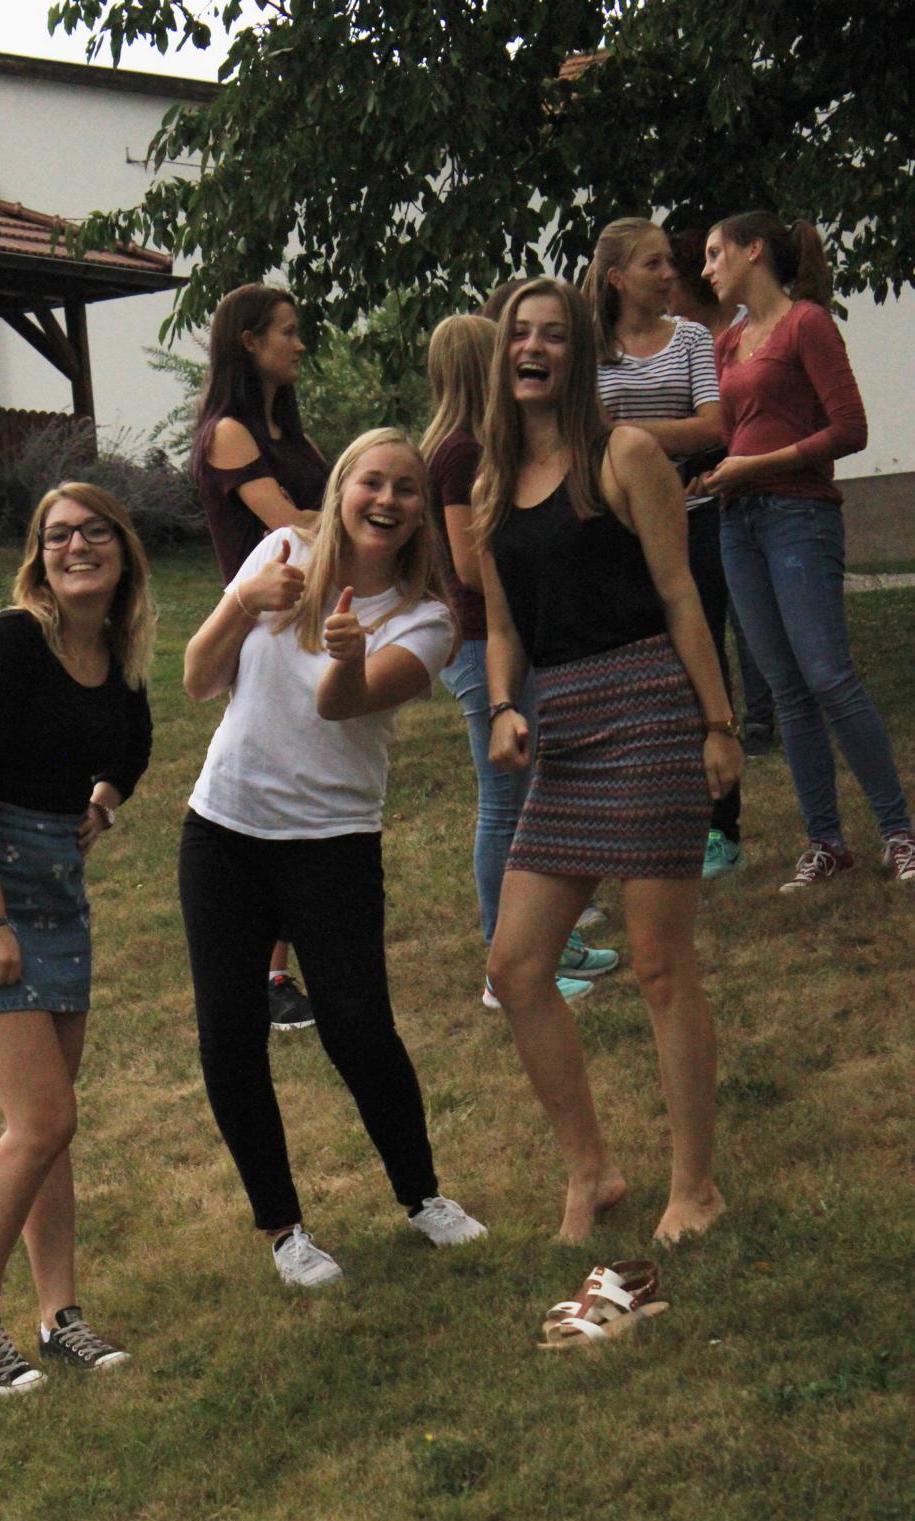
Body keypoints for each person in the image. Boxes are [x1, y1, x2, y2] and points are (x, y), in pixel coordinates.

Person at [179, 428, 487, 1287]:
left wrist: (348, 657)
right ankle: (284, 1231)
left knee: (358, 1030)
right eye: (371, 483)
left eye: (406, 489)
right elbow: (198, 679)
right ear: (342, 488)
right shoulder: (279, 553)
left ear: (421, 514)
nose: (386, 500)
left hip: (333, 842)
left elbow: (341, 707)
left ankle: (423, 1196)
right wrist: (244, 603)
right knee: (229, 1036)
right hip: (225, 831)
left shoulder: (429, 619)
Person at [475, 279, 743, 1245]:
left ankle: (696, 1187)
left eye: (554, 335)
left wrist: (718, 725)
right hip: (564, 726)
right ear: (501, 354)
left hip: (650, 708)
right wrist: (503, 706)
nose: (534, 348)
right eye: (520, 334)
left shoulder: (625, 454)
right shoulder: (490, 487)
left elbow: (679, 595)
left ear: (579, 355)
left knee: (661, 965)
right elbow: (503, 630)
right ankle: (592, 1171)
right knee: (516, 966)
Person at [0, 484, 154, 1393]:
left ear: (123, 551)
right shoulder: (12, 642)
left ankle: (60, 1317)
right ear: (38, 556)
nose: (76, 547)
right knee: (43, 1119)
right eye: (58, 536)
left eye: (94, 532)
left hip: (55, 889)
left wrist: (104, 801)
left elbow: (132, 743)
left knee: (49, 1128)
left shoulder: (116, 651)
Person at [701, 212, 915, 891]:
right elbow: (730, 434)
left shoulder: (807, 325)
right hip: (738, 522)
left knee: (828, 676)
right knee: (787, 689)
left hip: (799, 514)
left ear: (754, 251)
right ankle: (825, 842)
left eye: (715, 253)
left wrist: (758, 464)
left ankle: (899, 833)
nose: (706, 269)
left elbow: (851, 429)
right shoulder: (728, 342)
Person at [421, 313, 613, 1006]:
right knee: (505, 803)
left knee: (532, 795)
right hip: (482, 644)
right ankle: (503, 967)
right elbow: (471, 566)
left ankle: (548, 942)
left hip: (500, 639)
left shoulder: (477, 447)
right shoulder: (459, 453)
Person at [582, 216, 745, 880]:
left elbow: (714, 425)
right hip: (613, 529)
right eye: (653, 264)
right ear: (617, 278)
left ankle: (720, 825)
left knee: (702, 652)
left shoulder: (691, 339)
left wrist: (627, 437)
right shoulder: (588, 349)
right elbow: (580, 434)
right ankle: (645, 816)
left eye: (668, 263)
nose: (670, 274)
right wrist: (646, 439)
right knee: (630, 666)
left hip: (692, 518)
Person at [191, 282, 331, 1029]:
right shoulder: (229, 434)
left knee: (306, 788)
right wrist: (342, 521)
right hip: (260, 635)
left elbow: (332, 514)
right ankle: (268, 973)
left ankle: (278, 959)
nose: (299, 344)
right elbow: (293, 526)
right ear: (249, 342)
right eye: (287, 331)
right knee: (273, 797)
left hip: (307, 627)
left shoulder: (293, 436)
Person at [669, 226, 776, 756]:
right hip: (694, 495)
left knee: (747, 613)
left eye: (671, 279)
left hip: (736, 489)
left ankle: (762, 717)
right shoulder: (679, 338)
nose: (664, 290)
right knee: (707, 614)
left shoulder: (736, 332)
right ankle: (722, 718)